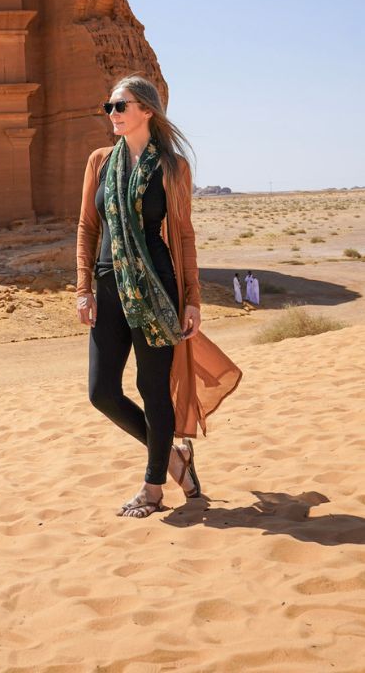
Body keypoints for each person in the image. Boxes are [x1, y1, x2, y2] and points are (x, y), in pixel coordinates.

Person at [76, 74, 242, 519]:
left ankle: (152, 489)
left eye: (120, 105)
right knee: (101, 392)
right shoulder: (99, 162)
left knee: (152, 390)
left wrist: (192, 299)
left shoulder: (171, 167)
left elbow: (183, 235)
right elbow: (89, 229)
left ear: (146, 111)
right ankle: (172, 458)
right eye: (109, 107)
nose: (112, 114)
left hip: (156, 288)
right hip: (109, 284)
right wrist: (83, 289)